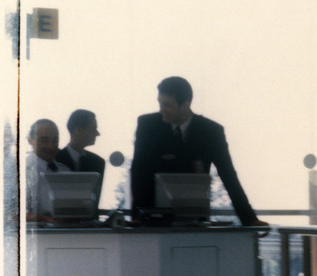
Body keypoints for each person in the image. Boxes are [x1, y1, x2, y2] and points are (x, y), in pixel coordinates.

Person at [130, 76, 265, 225]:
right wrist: (137, 217)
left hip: (195, 221)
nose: (161, 110)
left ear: (185, 104)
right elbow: (138, 172)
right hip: (152, 220)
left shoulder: (211, 132)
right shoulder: (148, 125)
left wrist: (250, 219)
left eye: (167, 105)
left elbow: (228, 175)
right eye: (160, 103)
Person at [25, 119, 70, 220]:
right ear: (30, 141)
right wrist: (47, 220)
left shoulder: (65, 171)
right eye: (44, 140)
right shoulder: (20, 172)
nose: (51, 146)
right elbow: (11, 212)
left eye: (55, 140)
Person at [61, 109, 105, 194]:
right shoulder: (54, 160)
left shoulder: (98, 163)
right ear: (78, 131)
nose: (97, 133)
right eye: (93, 129)